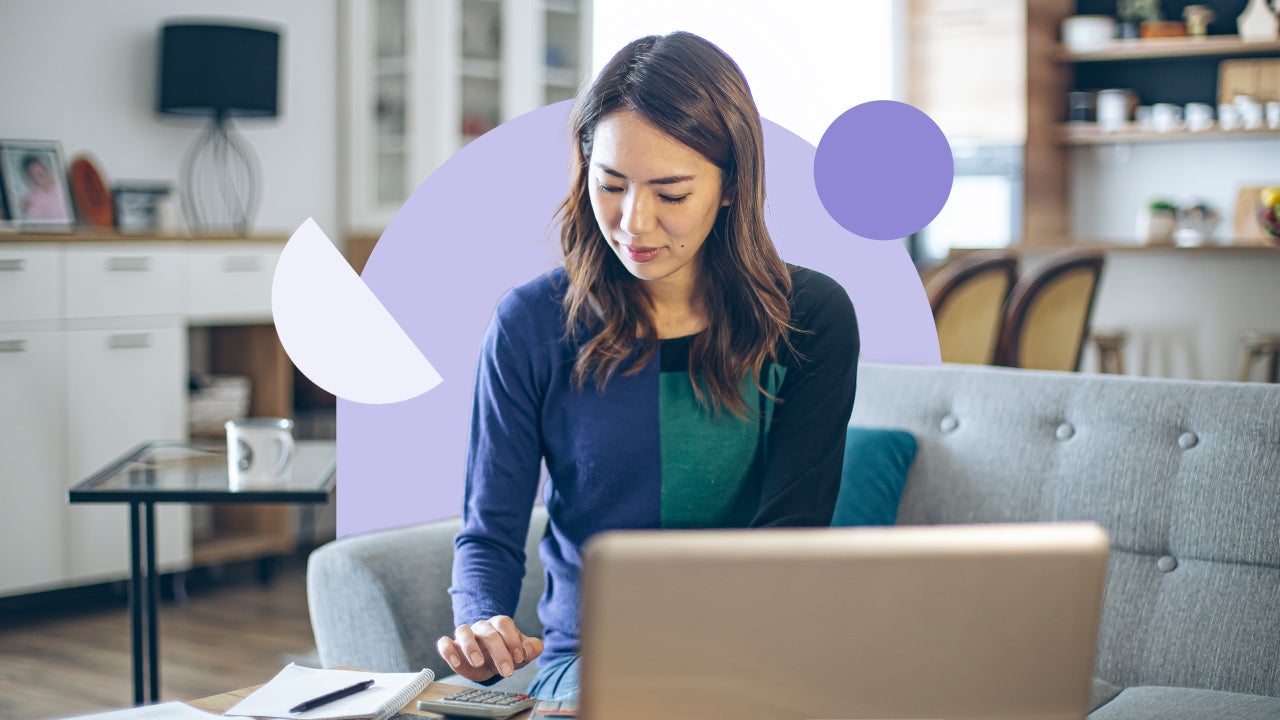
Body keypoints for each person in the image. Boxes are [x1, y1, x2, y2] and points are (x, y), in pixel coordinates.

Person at [438, 31, 860, 702]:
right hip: (591, 665)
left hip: (754, 655)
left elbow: (791, 542)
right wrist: (480, 621)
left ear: (730, 188)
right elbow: (489, 532)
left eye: (670, 193)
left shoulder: (810, 318)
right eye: (611, 185)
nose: (634, 223)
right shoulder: (530, 326)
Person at [18, 154, 69, 221]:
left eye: (42, 171)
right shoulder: (33, 199)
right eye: (37, 175)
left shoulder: (62, 181)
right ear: (31, 178)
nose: (42, 174)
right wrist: (25, 210)